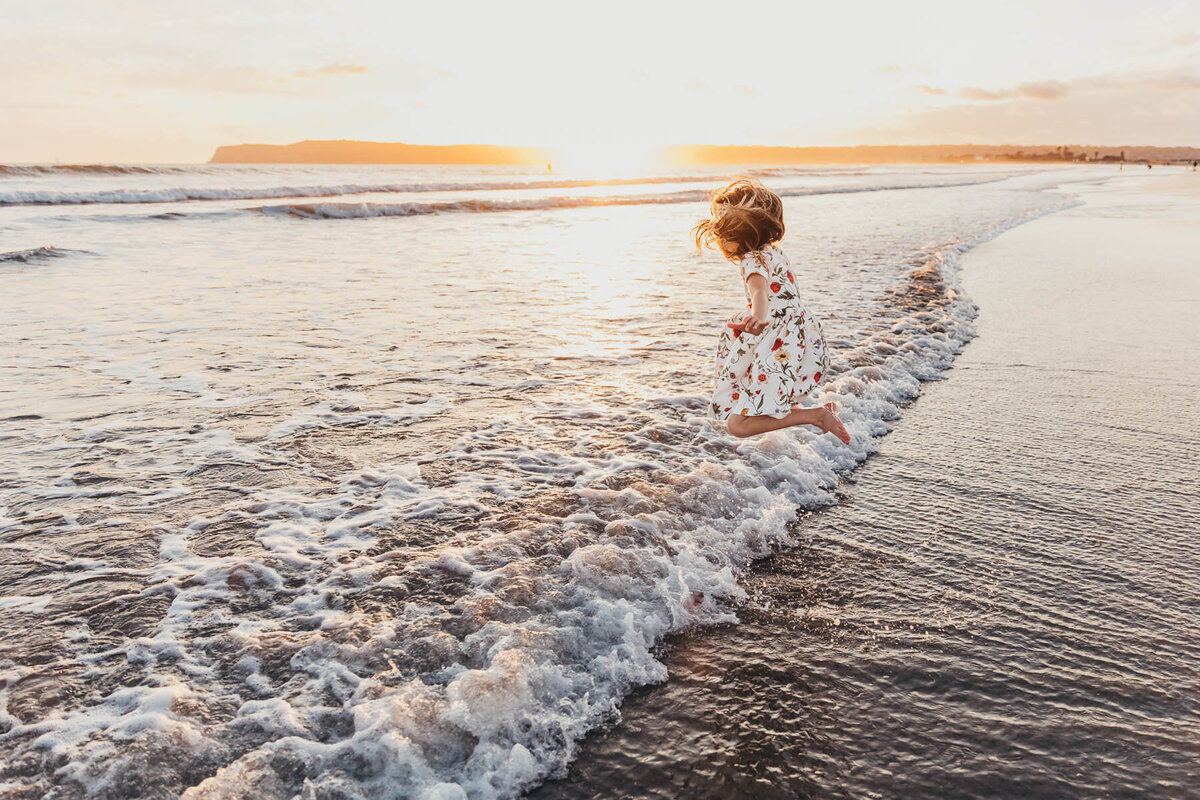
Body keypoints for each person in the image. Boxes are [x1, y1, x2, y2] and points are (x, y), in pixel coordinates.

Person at [694, 177, 850, 443]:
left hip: (774, 337)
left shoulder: (751, 260)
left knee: (737, 425)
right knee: (766, 401)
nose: (719, 243)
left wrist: (756, 316)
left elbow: (759, 291)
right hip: (796, 332)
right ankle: (815, 414)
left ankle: (818, 416)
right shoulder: (773, 252)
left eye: (721, 235)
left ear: (737, 235)